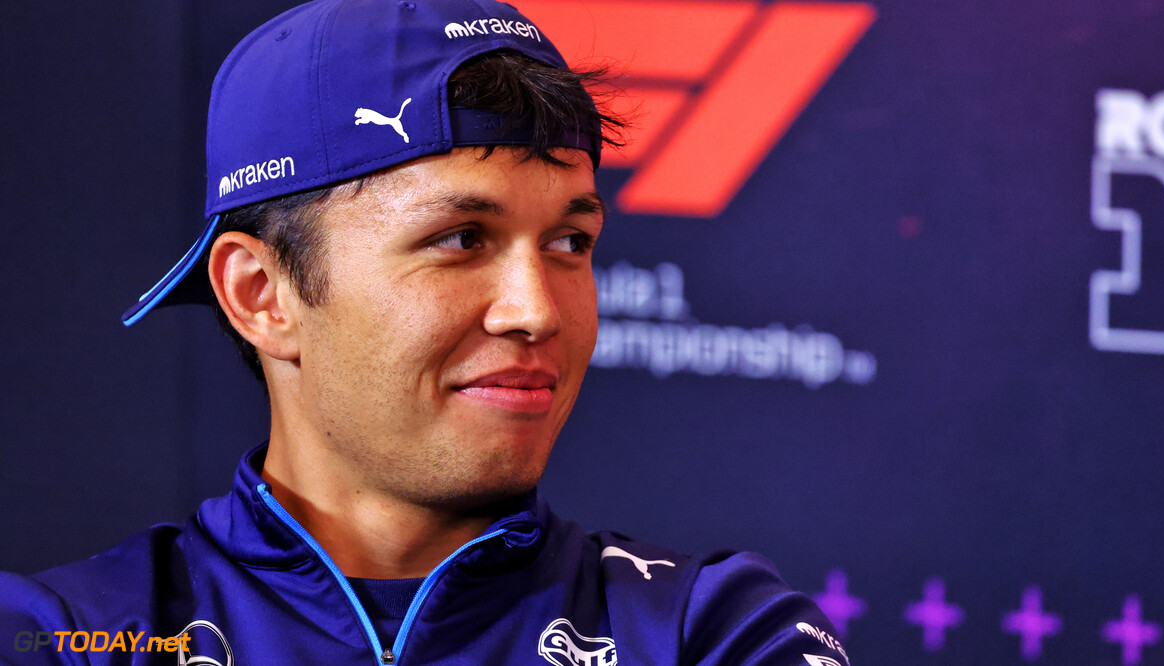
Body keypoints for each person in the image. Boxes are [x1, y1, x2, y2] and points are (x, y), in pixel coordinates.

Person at [0, 0, 850, 664]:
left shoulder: (713, 634)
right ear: (263, 294)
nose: (538, 309)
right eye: (460, 240)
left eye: (569, 242)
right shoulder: (67, 636)